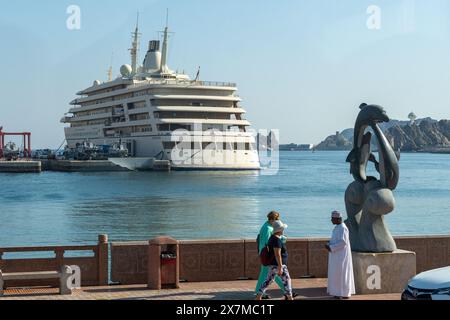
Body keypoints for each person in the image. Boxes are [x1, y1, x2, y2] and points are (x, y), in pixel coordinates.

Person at [256, 220, 294, 300]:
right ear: (280, 230)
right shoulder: (277, 240)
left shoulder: (272, 238)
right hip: (279, 265)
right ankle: (290, 298)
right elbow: (278, 254)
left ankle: (259, 295)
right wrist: (280, 267)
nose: (283, 230)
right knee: (287, 280)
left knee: (268, 281)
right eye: (283, 229)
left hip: (273, 265)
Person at [255, 211, 286, 299]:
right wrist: (282, 238)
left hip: (264, 254)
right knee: (269, 274)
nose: (277, 221)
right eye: (276, 219)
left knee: (268, 274)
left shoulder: (266, 225)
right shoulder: (268, 228)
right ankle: (287, 291)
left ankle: (287, 291)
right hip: (267, 255)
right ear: (272, 219)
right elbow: (269, 242)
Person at [325, 210, 355, 299]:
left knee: (342, 274)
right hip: (336, 256)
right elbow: (336, 240)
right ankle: (338, 293)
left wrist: (331, 247)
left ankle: (344, 293)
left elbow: (343, 242)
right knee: (337, 275)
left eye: (332, 219)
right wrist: (329, 243)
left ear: (338, 219)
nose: (331, 220)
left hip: (341, 257)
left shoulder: (343, 228)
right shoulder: (337, 227)